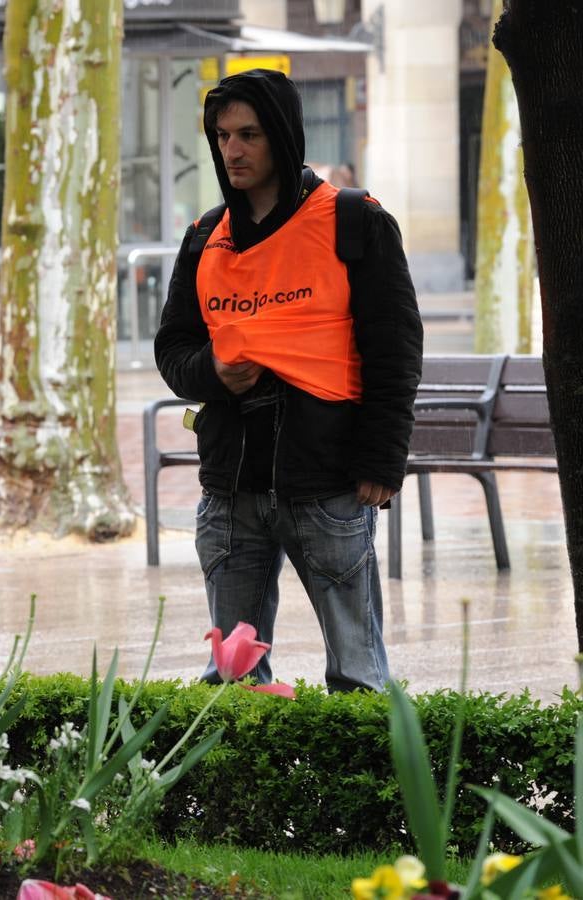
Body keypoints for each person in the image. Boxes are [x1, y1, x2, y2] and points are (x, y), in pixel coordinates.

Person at [153, 69, 422, 692]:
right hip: (230, 490)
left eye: (248, 134)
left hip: (328, 485)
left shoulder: (355, 222)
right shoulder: (204, 236)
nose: (233, 151)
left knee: (359, 678)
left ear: (282, 136)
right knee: (231, 682)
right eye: (221, 136)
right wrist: (214, 373)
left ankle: (372, 785)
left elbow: (395, 354)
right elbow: (173, 350)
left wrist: (380, 463)